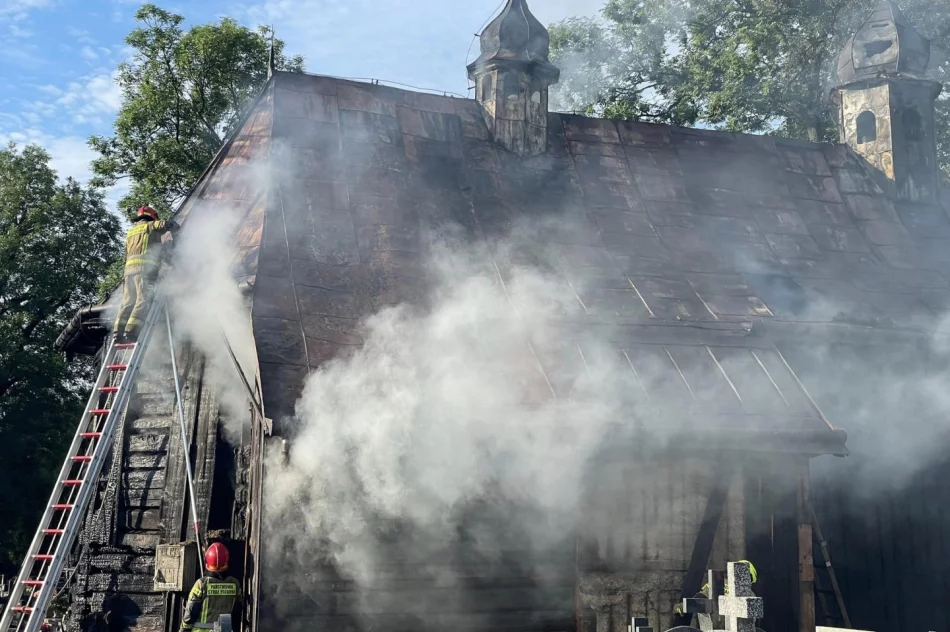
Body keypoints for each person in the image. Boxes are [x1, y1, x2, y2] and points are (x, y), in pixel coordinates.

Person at [113, 205, 179, 342]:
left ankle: (117, 332)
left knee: (127, 302)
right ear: (152, 217)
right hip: (143, 270)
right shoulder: (151, 226)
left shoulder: (130, 232)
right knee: (143, 299)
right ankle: (131, 331)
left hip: (128, 273)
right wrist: (174, 228)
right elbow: (167, 225)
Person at [181, 543, 241, 631]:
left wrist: (184, 629)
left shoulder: (201, 584)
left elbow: (191, 612)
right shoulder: (235, 584)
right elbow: (237, 610)